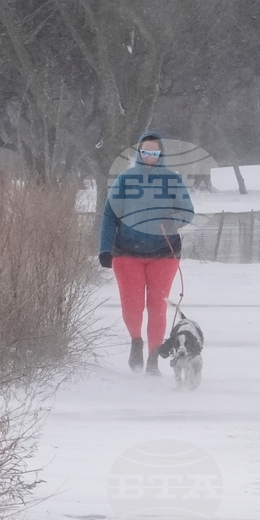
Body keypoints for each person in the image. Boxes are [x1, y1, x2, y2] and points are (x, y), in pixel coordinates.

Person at [99, 131, 195, 375]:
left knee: (157, 306)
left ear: (161, 154)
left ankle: (153, 356)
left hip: (164, 252)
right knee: (132, 306)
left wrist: (172, 221)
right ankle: (136, 341)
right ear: (139, 153)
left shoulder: (172, 180)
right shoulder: (125, 179)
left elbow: (188, 212)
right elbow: (110, 215)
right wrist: (104, 249)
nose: (150, 156)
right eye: (146, 152)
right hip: (126, 251)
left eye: (155, 152)